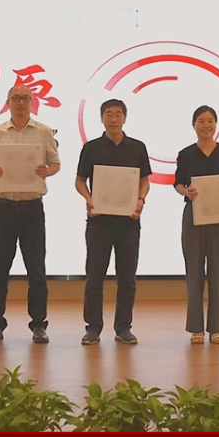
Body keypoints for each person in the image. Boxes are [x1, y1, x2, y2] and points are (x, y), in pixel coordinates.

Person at [0, 84, 61, 344]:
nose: (21, 103)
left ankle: (39, 325)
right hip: (4, 207)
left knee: (36, 269)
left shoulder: (44, 131)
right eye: (16, 98)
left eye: (25, 98)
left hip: (32, 208)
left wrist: (47, 170)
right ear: (8, 102)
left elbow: (56, 163)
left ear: (32, 102)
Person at [75, 99, 151, 346]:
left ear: (125, 118)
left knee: (127, 278)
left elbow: (144, 180)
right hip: (99, 222)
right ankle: (93, 327)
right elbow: (79, 180)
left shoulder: (137, 147)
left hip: (129, 222)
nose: (114, 119)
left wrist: (140, 200)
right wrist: (89, 199)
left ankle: (123, 327)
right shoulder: (91, 148)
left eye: (118, 114)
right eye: (109, 114)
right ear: (102, 118)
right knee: (94, 277)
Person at [174, 105, 219, 344]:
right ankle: (196, 329)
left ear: (216, 125)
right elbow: (178, 183)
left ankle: (216, 328)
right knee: (194, 274)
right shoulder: (186, 154)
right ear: (194, 125)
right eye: (201, 121)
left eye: (210, 121)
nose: (206, 125)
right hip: (194, 217)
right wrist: (186, 191)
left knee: (218, 274)